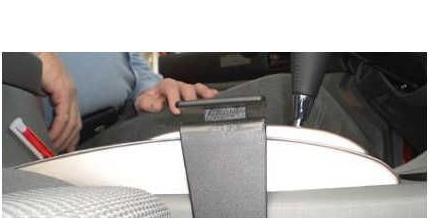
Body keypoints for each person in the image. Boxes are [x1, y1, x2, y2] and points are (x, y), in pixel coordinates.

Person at [35, 52, 371, 154]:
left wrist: (150, 88)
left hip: (124, 117)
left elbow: (130, 61)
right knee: (288, 100)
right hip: (62, 141)